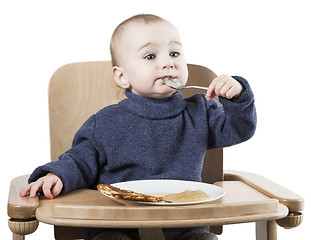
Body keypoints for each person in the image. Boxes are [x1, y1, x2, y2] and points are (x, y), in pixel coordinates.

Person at [20, 14, 256, 240]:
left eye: (174, 53)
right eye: (150, 56)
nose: (168, 63)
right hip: (117, 223)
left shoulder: (201, 112)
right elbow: (79, 161)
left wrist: (237, 96)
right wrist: (56, 175)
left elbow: (240, 129)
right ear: (122, 77)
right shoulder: (104, 122)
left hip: (184, 226)